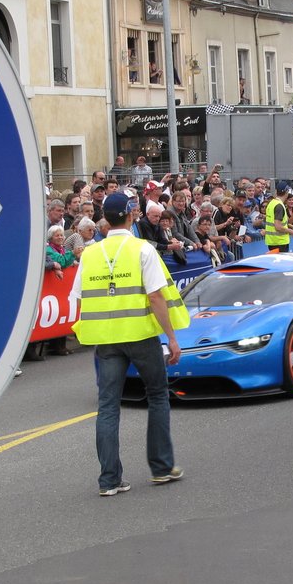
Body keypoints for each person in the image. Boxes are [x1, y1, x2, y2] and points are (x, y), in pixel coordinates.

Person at [70, 191, 190, 496]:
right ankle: (161, 467)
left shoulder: (90, 254)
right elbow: (155, 296)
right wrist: (172, 338)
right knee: (158, 396)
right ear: (131, 215)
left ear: (105, 220)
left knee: (108, 406)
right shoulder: (142, 250)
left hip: (106, 341)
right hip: (139, 336)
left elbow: (79, 299)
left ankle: (109, 480)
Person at [264, 181, 293, 252]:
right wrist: (292, 232)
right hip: (280, 242)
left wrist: (292, 227)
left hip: (272, 241)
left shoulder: (271, 203)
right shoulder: (279, 206)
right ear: (286, 192)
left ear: (276, 191)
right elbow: (278, 226)